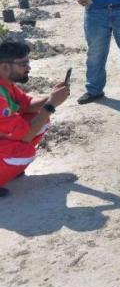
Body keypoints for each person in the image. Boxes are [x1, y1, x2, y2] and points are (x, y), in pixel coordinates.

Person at [0, 41, 71, 197]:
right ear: (5, 67)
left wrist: (52, 96)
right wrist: (51, 104)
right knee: (24, 152)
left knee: (40, 120)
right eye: (23, 64)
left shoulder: (5, 83)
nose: (28, 68)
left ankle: (8, 169)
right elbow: (26, 135)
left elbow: (27, 105)